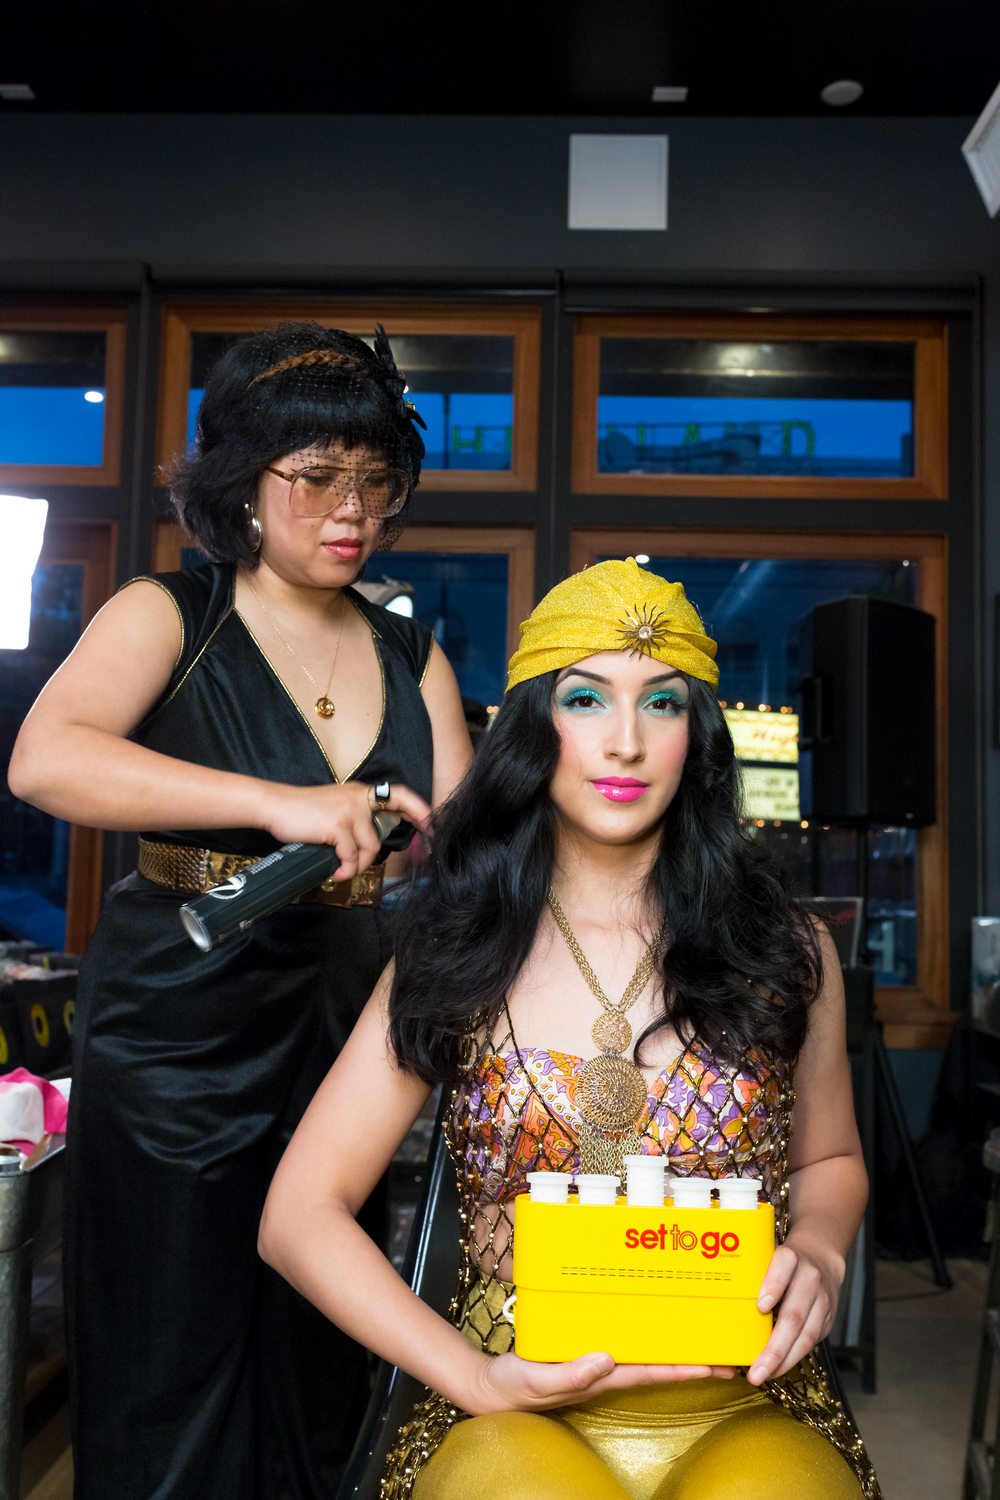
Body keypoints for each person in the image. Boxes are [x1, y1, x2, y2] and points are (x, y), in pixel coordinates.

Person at [260, 558, 881, 1500]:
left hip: (744, 1401)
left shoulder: (785, 949)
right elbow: (298, 1215)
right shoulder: (457, 949)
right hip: (513, 1408)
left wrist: (824, 1254)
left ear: (697, 737)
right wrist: (472, 1378)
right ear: (532, 729)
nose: (625, 742)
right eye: (586, 700)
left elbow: (828, 1162)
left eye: (662, 704)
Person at [8, 322, 472, 1500]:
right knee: (169, 1337)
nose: (350, 510)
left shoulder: (413, 655)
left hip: (345, 1013)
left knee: (319, 1344)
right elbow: (46, 761)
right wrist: (278, 804)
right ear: (243, 486)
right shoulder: (172, 611)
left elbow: (474, 845)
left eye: (375, 480)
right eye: (315, 478)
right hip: (176, 1016)